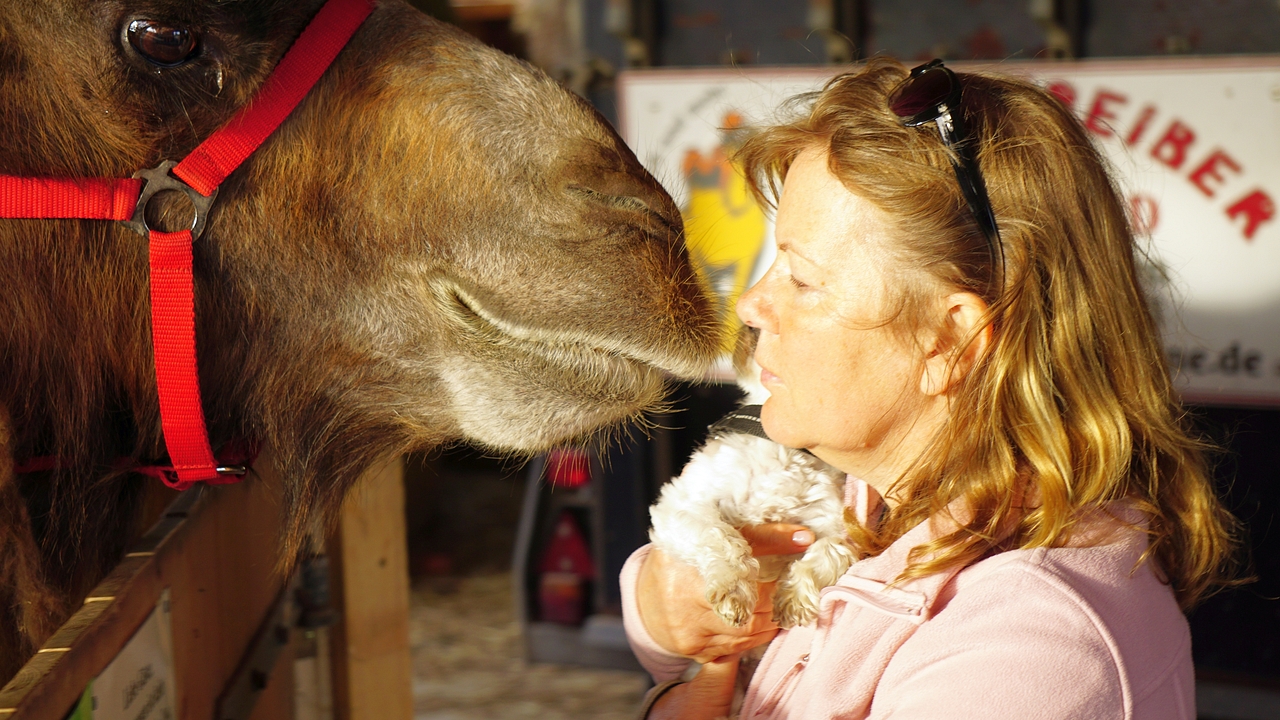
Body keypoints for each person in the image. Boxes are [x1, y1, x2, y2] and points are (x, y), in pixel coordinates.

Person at [620, 57, 1239, 720]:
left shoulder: (1026, 653)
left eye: (802, 279)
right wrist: (658, 609)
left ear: (949, 341)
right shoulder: (874, 498)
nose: (750, 305)